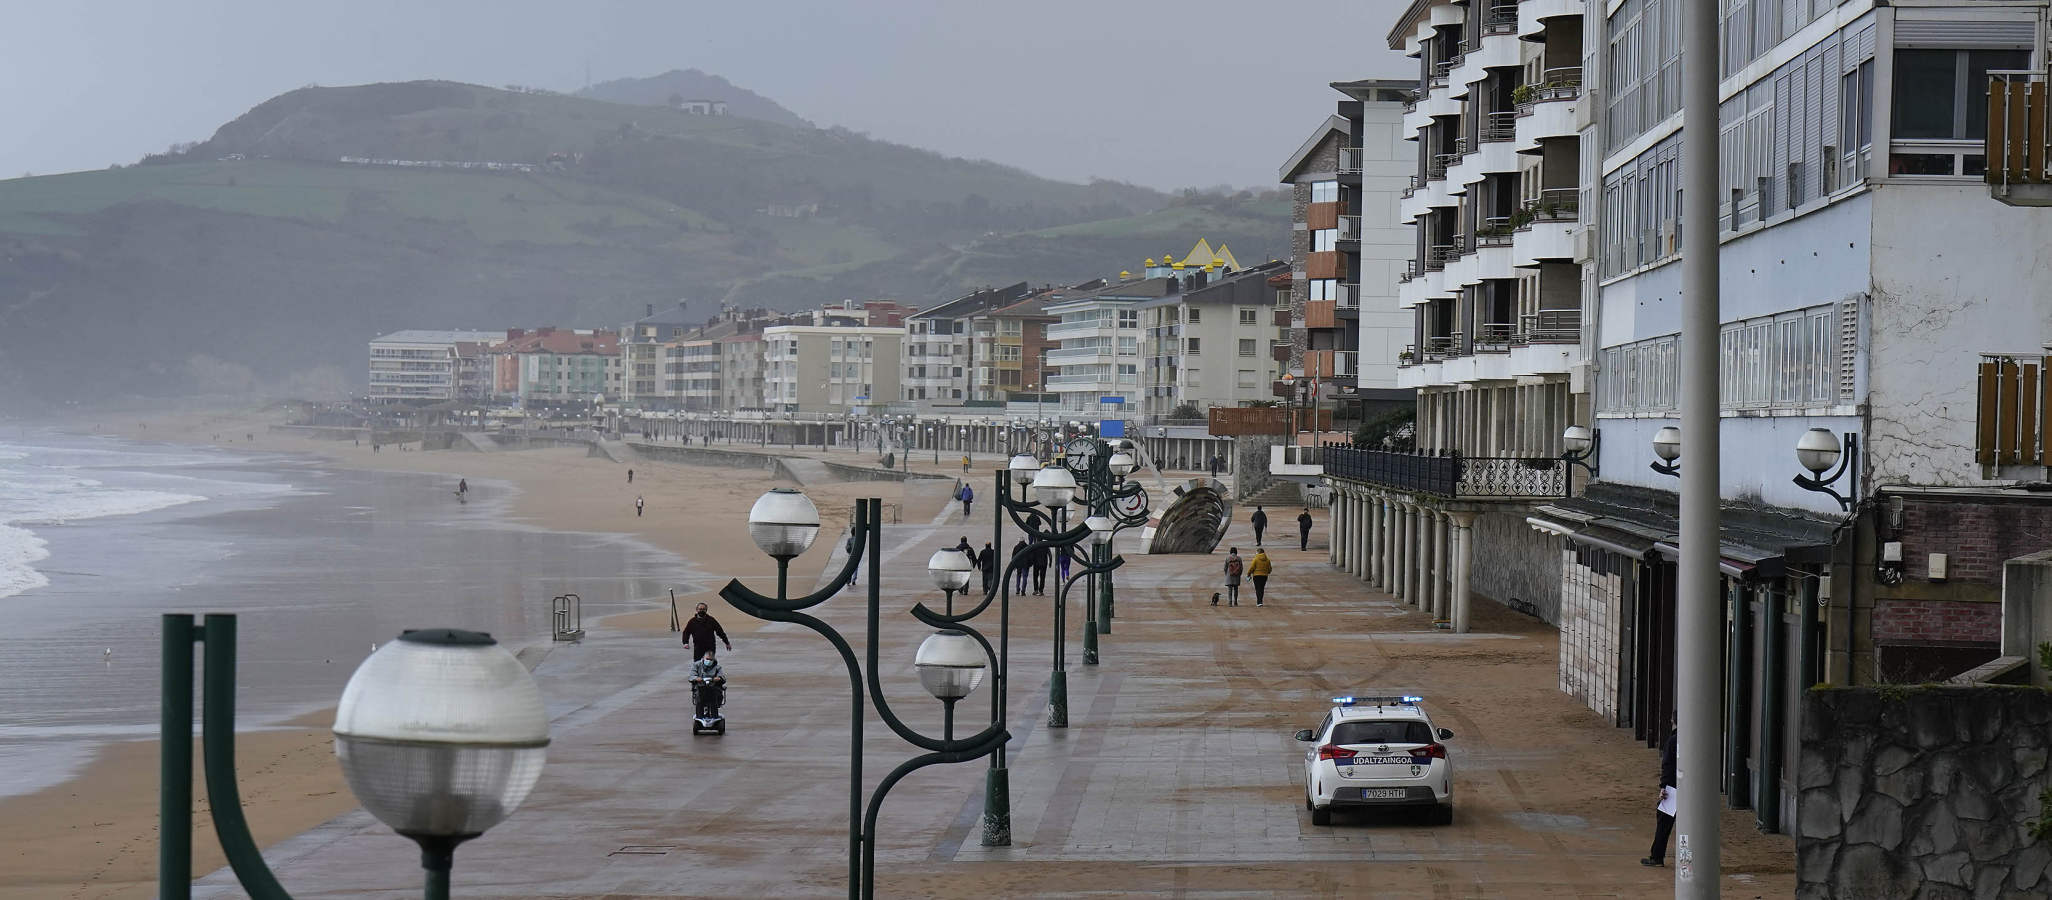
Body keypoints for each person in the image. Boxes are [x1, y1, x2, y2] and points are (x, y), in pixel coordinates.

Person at [1643, 723, 1679, 867]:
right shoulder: (1695, 738)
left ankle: (1657, 857)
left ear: (1673, 721)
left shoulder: (1673, 740)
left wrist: (1664, 787)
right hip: (1693, 789)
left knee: (1664, 823)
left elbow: (1668, 766)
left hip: (1673, 789)